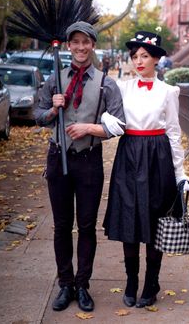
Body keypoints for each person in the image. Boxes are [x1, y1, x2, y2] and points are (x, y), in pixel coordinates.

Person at [35, 21, 125, 312]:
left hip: (89, 161)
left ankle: (83, 284)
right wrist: (52, 108)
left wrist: (90, 127)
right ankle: (65, 284)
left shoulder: (105, 82)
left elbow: (119, 126)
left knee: (86, 226)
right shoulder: (55, 79)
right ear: (69, 45)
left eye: (86, 42)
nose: (81, 47)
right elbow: (37, 115)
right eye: (75, 42)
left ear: (93, 45)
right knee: (62, 226)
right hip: (57, 156)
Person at [102, 30, 189, 309]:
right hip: (129, 155)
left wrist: (180, 174)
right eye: (134, 57)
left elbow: (174, 133)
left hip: (158, 158)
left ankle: (151, 284)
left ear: (156, 59)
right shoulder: (121, 87)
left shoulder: (169, 91)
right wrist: (106, 117)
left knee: (155, 222)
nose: (138, 61)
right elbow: (108, 117)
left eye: (144, 56)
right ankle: (131, 281)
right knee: (129, 219)